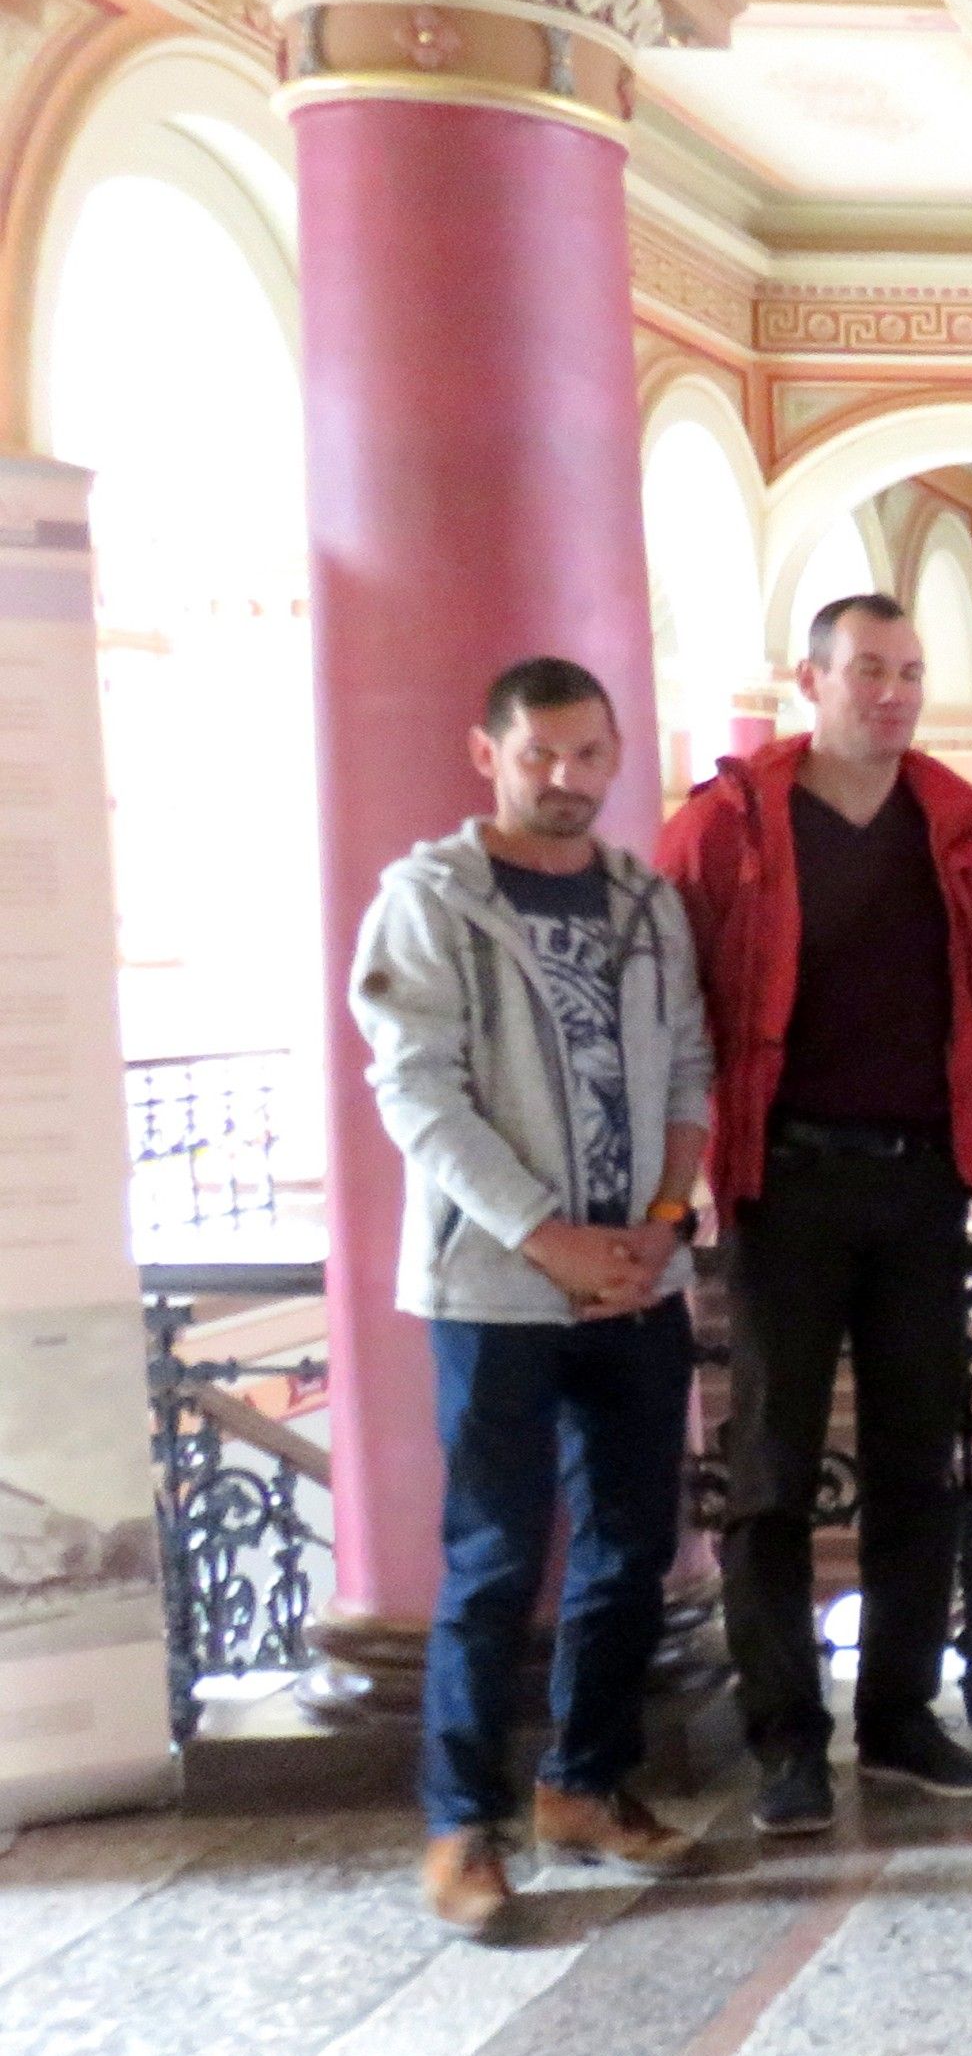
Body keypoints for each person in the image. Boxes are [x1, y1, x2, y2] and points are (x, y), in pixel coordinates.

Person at [350, 659, 711, 1935]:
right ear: (487, 755)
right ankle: (463, 1827)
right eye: (539, 755)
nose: (566, 778)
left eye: (588, 754)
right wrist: (546, 1237)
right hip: (496, 1285)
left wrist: (662, 1225)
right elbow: (417, 1092)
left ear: (616, 755)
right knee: (496, 1556)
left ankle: (584, 1787)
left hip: (638, 1280)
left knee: (630, 1546)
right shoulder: (429, 901)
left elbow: (689, 1068)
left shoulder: (644, 902)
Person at [664, 592, 972, 1839]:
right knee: (770, 1469)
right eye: (868, 668)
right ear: (810, 680)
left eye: (910, 671)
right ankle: (785, 1741)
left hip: (921, 1182)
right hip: (786, 1181)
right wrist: (679, 1177)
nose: (893, 692)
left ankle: (899, 1719)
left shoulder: (953, 829)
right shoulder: (728, 825)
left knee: (918, 1460)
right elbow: (672, 1000)